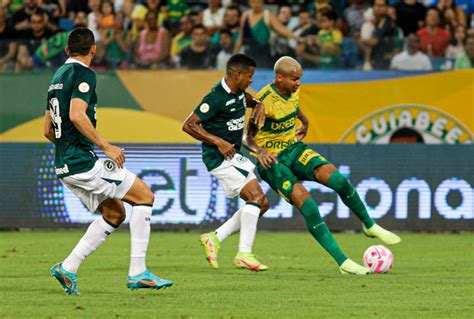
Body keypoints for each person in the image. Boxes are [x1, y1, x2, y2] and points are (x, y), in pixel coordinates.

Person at [244, 56, 401, 275]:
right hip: (273, 161)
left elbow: (293, 106)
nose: (298, 83)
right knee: (309, 206)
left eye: (300, 79)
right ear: (279, 78)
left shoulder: (292, 90)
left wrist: (305, 120)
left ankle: (369, 225)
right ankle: (343, 263)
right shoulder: (264, 101)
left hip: (294, 148)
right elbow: (246, 138)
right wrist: (260, 152)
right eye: (294, 79)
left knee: (338, 180)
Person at [44, 27, 172, 295]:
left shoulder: (57, 77)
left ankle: (68, 268)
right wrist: (106, 146)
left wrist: (69, 149)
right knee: (145, 196)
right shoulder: (83, 73)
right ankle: (138, 272)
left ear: (67, 50)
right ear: (94, 49)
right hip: (81, 163)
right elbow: (78, 115)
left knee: (115, 213)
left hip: (64, 165)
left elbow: (48, 130)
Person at [182, 54, 270, 271]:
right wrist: (218, 141)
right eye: (249, 76)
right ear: (237, 74)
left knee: (262, 204)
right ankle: (244, 254)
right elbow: (189, 125)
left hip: (233, 156)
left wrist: (258, 104)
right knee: (256, 197)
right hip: (219, 158)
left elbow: (248, 100)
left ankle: (215, 237)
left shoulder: (239, 93)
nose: (252, 80)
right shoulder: (216, 97)